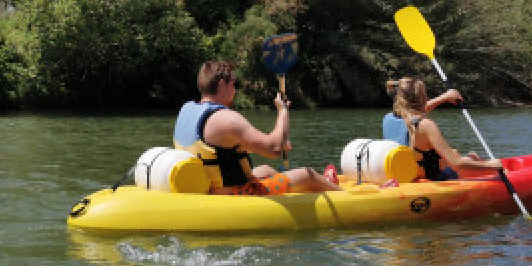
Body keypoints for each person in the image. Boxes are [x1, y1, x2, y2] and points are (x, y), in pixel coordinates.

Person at [173, 61, 342, 195]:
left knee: (267, 170)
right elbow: (275, 149)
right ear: (223, 83)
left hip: (209, 187)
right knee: (308, 174)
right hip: (235, 193)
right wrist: (282, 111)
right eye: (234, 84)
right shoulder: (226, 118)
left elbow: (212, 148)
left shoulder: (186, 110)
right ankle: (342, 195)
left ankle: (323, 184)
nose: (235, 90)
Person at [393, 77, 504, 181]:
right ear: (423, 98)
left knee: (464, 156)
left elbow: (418, 109)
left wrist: (445, 97)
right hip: (438, 179)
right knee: (495, 170)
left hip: (416, 176)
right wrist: (493, 165)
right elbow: (456, 164)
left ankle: (472, 161)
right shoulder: (426, 125)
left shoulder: (394, 118)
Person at [382, 76, 464, 146]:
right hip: (417, 164)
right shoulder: (423, 124)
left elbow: (411, 111)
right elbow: (455, 162)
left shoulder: (388, 118)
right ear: (422, 97)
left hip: (399, 163)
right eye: (424, 93)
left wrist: (445, 97)